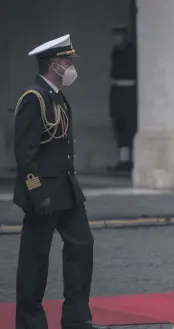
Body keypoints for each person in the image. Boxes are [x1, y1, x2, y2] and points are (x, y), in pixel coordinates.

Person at [13, 35, 109, 329]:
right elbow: (25, 153)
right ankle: (30, 322)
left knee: (82, 245)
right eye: (68, 62)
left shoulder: (56, 96)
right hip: (42, 192)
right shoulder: (34, 98)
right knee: (35, 258)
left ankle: (77, 318)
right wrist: (35, 191)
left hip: (66, 189)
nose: (71, 67)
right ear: (54, 65)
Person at [107, 26, 137, 172]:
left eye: (117, 36)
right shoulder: (116, 52)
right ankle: (123, 159)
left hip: (128, 94)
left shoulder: (130, 52)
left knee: (128, 127)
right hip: (118, 93)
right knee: (119, 126)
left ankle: (129, 160)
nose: (115, 39)